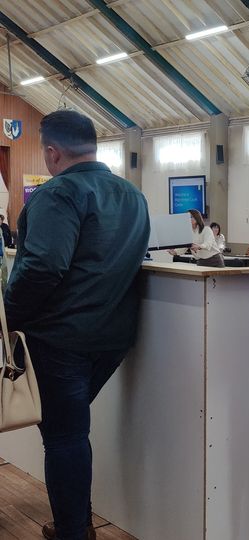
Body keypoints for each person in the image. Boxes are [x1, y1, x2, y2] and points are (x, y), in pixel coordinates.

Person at [4, 110, 149, 540]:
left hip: (60, 339)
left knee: (64, 437)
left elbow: (43, 266)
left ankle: (73, 531)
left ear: (51, 152)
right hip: (113, 338)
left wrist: (7, 318)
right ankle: (76, 521)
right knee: (71, 431)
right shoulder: (132, 194)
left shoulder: (57, 193)